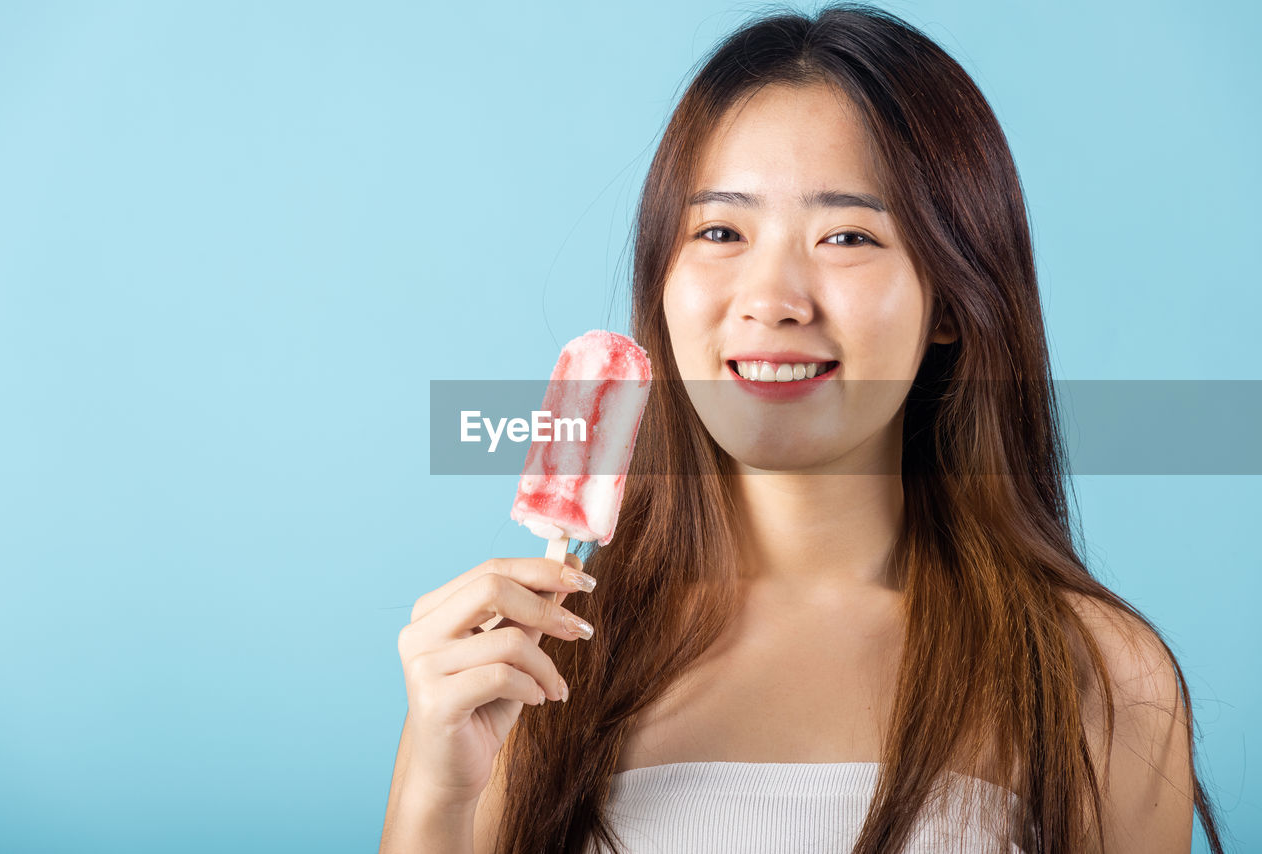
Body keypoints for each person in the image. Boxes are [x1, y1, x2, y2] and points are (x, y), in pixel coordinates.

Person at [380, 4, 1227, 853]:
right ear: (661, 281)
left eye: (848, 236)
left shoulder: (1099, 676)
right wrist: (435, 795)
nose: (773, 300)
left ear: (951, 299)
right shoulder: (526, 666)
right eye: (720, 231)